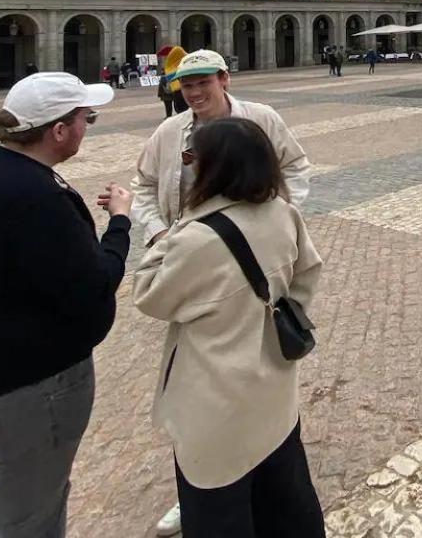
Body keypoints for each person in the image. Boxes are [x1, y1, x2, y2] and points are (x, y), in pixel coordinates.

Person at [0, 72, 127, 538]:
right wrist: (120, 223)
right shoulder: (35, 195)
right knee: (27, 519)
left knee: (32, 505)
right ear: (58, 131)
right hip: (22, 387)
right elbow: (94, 287)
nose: (87, 125)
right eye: (84, 118)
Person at [133, 49, 313, 537]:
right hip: (194, 263)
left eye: (202, 84)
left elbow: (296, 169)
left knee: (250, 386)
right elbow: (145, 187)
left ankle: (220, 485)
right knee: (205, 388)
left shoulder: (261, 120)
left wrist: (276, 214)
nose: (193, 93)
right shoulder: (170, 133)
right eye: (185, 87)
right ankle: (199, 485)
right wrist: (158, 237)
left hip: (247, 259)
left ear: (224, 80)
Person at [159, 46, 188, 118]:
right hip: (171, 90)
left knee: (180, 106)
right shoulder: (169, 69)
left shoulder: (177, 68)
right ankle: (169, 115)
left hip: (176, 91)